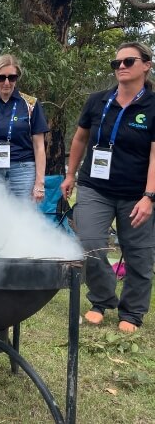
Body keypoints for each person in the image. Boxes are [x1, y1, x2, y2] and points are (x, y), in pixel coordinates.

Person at [61, 41, 155, 333]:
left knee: (139, 254)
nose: (121, 67)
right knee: (89, 243)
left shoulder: (152, 105)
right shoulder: (98, 101)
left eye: (128, 61)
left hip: (136, 193)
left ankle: (132, 313)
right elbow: (79, 139)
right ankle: (101, 300)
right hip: (94, 187)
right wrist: (70, 175)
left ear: (146, 65)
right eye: (117, 63)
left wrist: (150, 196)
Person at [0, 54, 49, 201]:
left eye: (11, 77)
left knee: (24, 217)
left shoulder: (31, 104)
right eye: (1, 77)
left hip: (23, 169)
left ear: (17, 78)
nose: (6, 82)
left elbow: (39, 147)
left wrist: (39, 182)